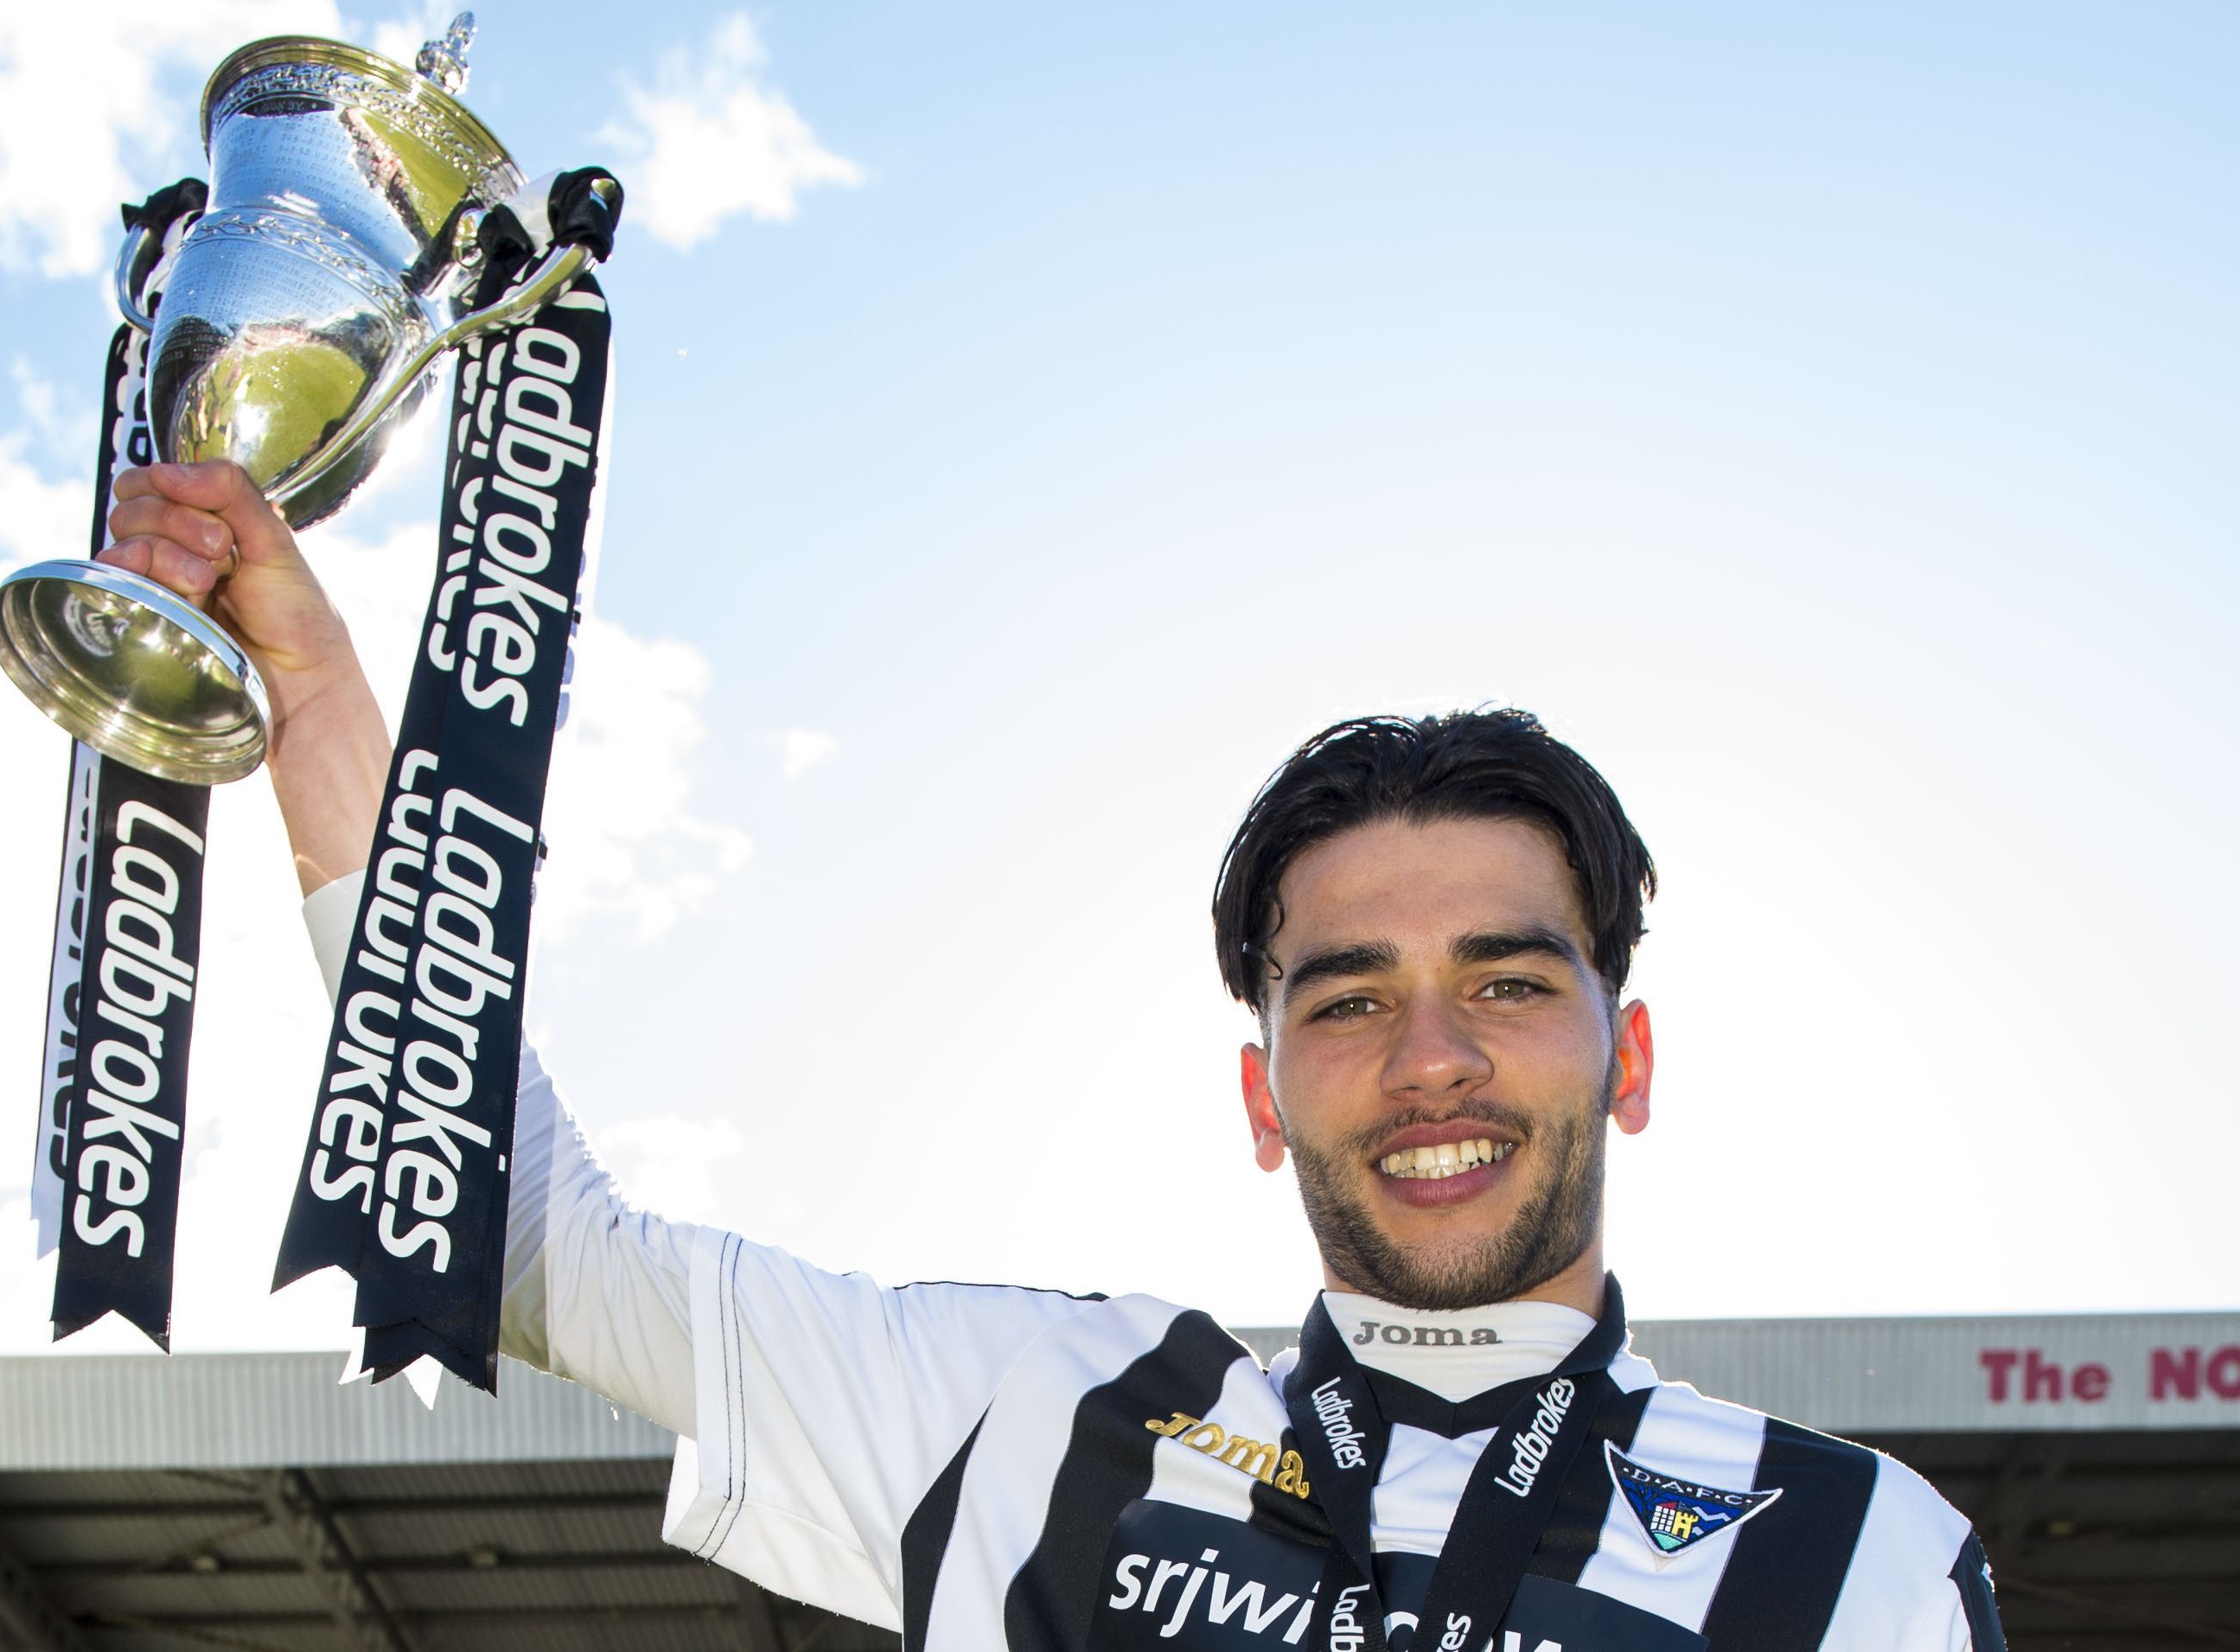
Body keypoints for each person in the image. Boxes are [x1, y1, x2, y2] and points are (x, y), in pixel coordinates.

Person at [100, 461, 2011, 1652]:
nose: (1430, 1056)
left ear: (1630, 1053)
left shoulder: (1856, 1556)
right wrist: (324, 700)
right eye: (1345, 997)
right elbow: (520, 1243)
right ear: (1264, 1094)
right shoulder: (1046, 1412)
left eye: (1508, 982)